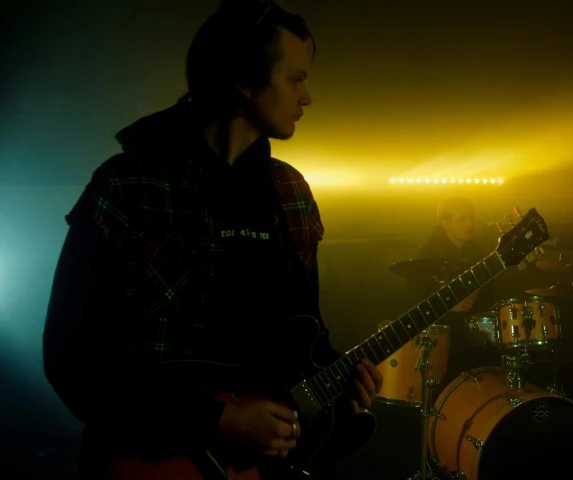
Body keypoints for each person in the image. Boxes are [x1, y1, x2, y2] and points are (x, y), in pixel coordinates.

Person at [41, 1, 382, 477]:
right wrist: (213, 422)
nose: (307, 98)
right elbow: (72, 363)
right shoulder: (128, 185)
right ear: (243, 81)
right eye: (296, 79)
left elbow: (301, 335)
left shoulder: (290, 194)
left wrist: (336, 385)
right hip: (149, 460)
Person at [406, 196, 495, 383]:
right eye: (462, 219)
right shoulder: (427, 257)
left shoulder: (478, 252)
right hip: (441, 340)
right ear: (445, 223)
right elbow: (414, 303)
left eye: (471, 217)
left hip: (475, 334)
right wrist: (449, 305)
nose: (470, 223)